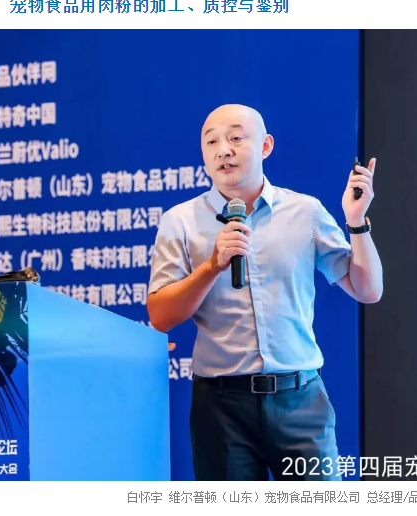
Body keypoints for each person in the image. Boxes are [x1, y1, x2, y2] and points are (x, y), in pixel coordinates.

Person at [147, 104, 383, 481]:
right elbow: (160, 316)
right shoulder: (181, 221)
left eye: (236, 138)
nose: (223, 150)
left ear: (266, 146)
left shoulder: (305, 212)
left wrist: (356, 223)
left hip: (300, 399)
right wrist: (211, 267)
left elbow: (367, 290)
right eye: (211, 142)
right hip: (221, 407)